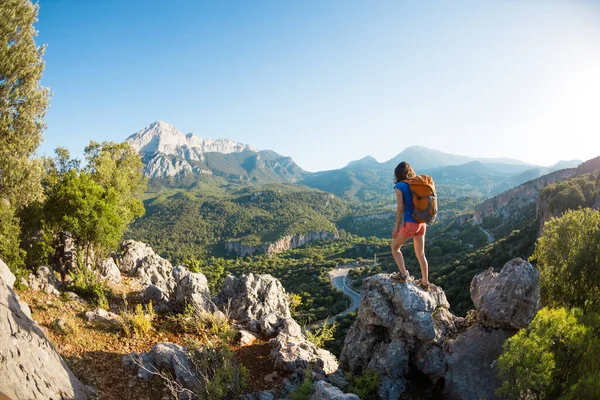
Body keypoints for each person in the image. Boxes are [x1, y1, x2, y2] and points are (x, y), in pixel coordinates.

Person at [391, 161, 430, 291]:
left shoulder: (400, 186)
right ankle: (425, 283)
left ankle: (403, 274)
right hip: (421, 222)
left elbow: (400, 208)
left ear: (397, 174)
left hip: (411, 223)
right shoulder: (415, 184)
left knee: (395, 247)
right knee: (421, 254)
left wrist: (397, 226)